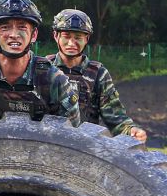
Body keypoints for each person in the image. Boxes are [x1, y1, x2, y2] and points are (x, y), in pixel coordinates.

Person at [46, 9, 148, 141]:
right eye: (66, 36)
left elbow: (115, 117)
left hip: (85, 147)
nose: (71, 43)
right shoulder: (44, 68)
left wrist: (132, 131)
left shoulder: (98, 73)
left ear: (86, 39)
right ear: (56, 36)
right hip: (48, 144)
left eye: (78, 37)